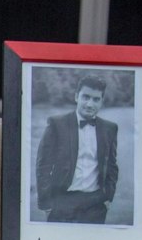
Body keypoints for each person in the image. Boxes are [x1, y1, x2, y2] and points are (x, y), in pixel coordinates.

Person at [34, 81, 120, 224]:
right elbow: (43, 165)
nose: (90, 104)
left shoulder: (110, 128)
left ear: (101, 101)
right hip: (62, 201)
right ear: (76, 97)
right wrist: (45, 202)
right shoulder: (57, 124)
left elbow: (111, 165)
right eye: (85, 97)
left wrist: (108, 196)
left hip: (96, 204)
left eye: (96, 99)